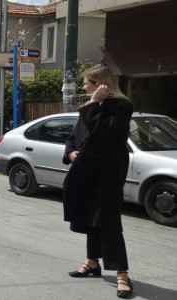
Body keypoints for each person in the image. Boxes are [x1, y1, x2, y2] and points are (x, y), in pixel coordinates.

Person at [62, 66, 134, 299]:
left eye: (87, 83)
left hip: (108, 174)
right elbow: (75, 136)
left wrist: (94, 104)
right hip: (86, 172)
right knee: (90, 218)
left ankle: (122, 273)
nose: (84, 87)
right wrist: (70, 152)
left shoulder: (122, 107)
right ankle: (92, 262)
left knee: (109, 221)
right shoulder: (90, 107)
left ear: (100, 84)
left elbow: (104, 134)